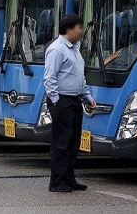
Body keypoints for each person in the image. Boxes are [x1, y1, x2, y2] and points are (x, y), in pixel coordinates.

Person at [43, 14, 96, 193]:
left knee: (73, 141)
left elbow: (79, 77)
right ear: (69, 29)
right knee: (61, 142)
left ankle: (69, 178)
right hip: (62, 100)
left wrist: (87, 96)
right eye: (79, 28)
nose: (81, 31)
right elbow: (49, 78)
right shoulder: (57, 49)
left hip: (74, 99)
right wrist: (56, 101)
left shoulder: (74, 49)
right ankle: (56, 181)